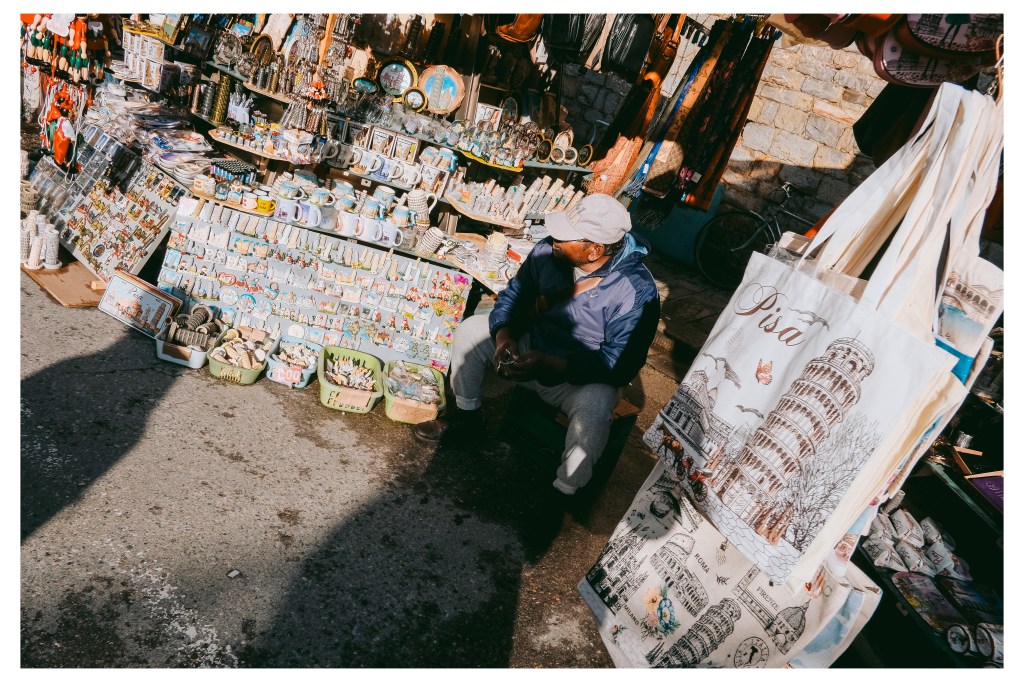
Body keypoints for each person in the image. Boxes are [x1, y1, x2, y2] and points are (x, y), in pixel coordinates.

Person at [414, 193, 661, 495]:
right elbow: (515, 295)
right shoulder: (547, 251)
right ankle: (468, 419)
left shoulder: (636, 290)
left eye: (566, 237)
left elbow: (620, 363)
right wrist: (505, 335)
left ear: (595, 249)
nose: (554, 238)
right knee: (470, 331)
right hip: (533, 348)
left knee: (596, 410)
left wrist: (552, 363)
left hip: (579, 376)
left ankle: (563, 492)